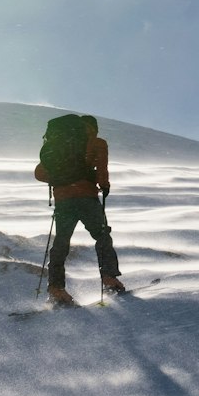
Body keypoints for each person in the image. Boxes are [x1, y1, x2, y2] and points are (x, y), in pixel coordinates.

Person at [34, 114, 125, 304]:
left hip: (63, 200)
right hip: (86, 196)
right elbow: (102, 167)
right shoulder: (96, 143)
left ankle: (56, 289)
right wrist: (103, 185)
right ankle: (109, 278)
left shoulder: (58, 144)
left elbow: (39, 173)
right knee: (101, 235)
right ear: (93, 128)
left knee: (61, 242)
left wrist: (61, 179)